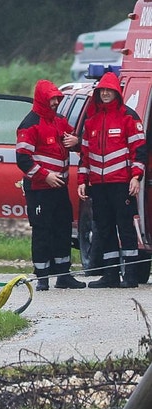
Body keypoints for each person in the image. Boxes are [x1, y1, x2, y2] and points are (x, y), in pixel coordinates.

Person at [78, 71, 148, 288]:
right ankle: (110, 275)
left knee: (125, 228)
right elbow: (85, 153)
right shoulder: (92, 120)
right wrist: (82, 180)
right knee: (104, 228)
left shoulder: (128, 116)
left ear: (117, 93)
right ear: (98, 93)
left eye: (109, 90)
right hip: (99, 186)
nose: (106, 94)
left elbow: (140, 150)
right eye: (102, 91)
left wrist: (136, 177)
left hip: (121, 184)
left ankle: (130, 276)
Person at [16, 79, 86, 291]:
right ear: (42, 99)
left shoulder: (60, 121)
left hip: (59, 188)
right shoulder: (29, 124)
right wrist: (45, 176)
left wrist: (77, 141)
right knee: (42, 231)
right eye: (52, 98)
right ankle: (42, 276)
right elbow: (23, 159)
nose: (56, 102)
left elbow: (76, 142)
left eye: (57, 98)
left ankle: (64, 275)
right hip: (39, 189)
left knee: (63, 229)